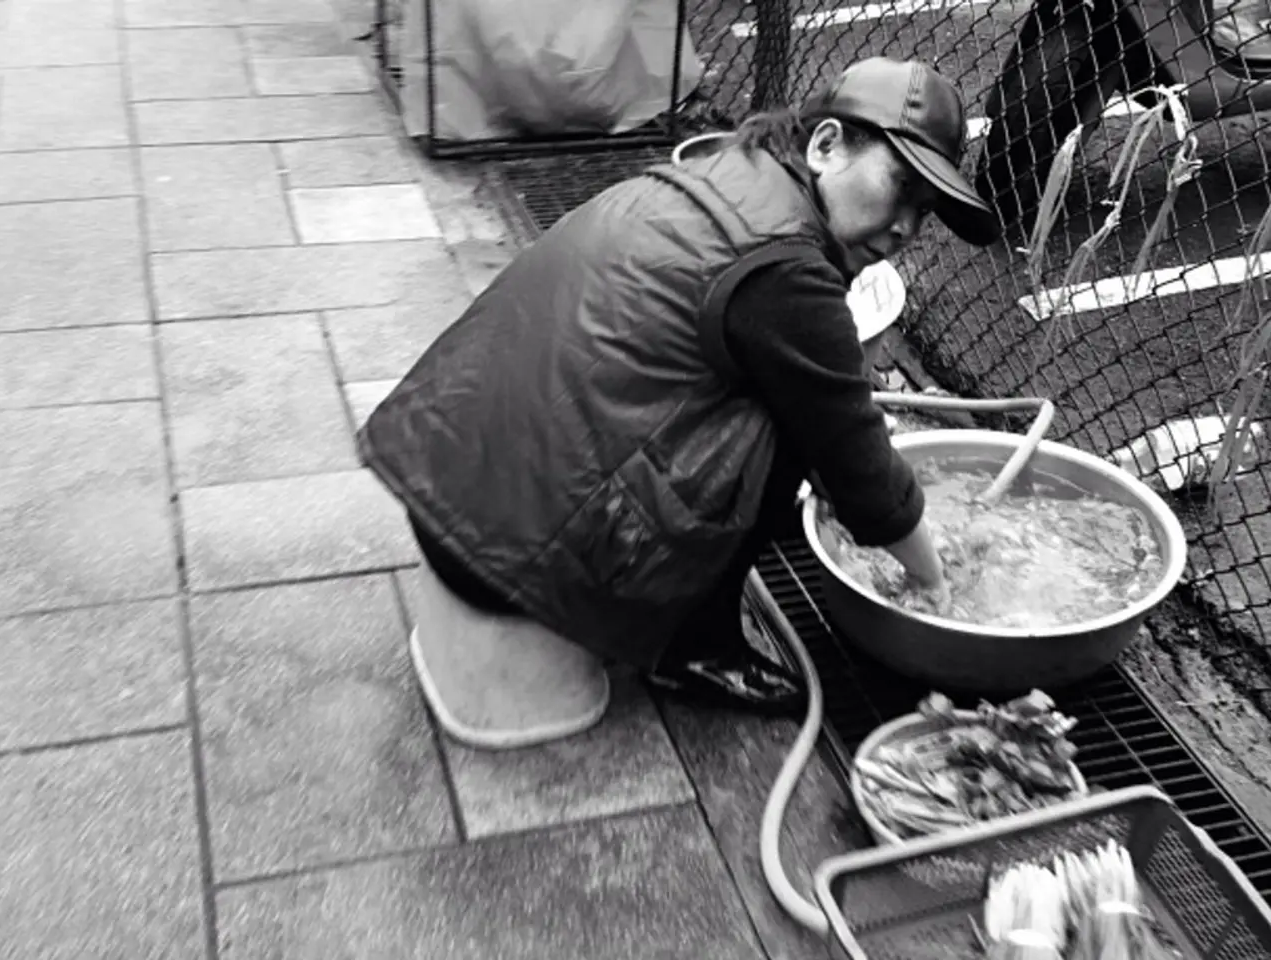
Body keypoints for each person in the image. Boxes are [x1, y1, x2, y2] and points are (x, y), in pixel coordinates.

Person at [359, 57, 1000, 718]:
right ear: (826, 144)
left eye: (924, 213)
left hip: (442, 480)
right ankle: (695, 650)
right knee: (790, 431)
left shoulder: (732, 168)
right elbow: (862, 472)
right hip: (502, 556)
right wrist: (936, 582)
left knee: (781, 405)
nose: (905, 229)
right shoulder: (789, 274)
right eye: (901, 188)